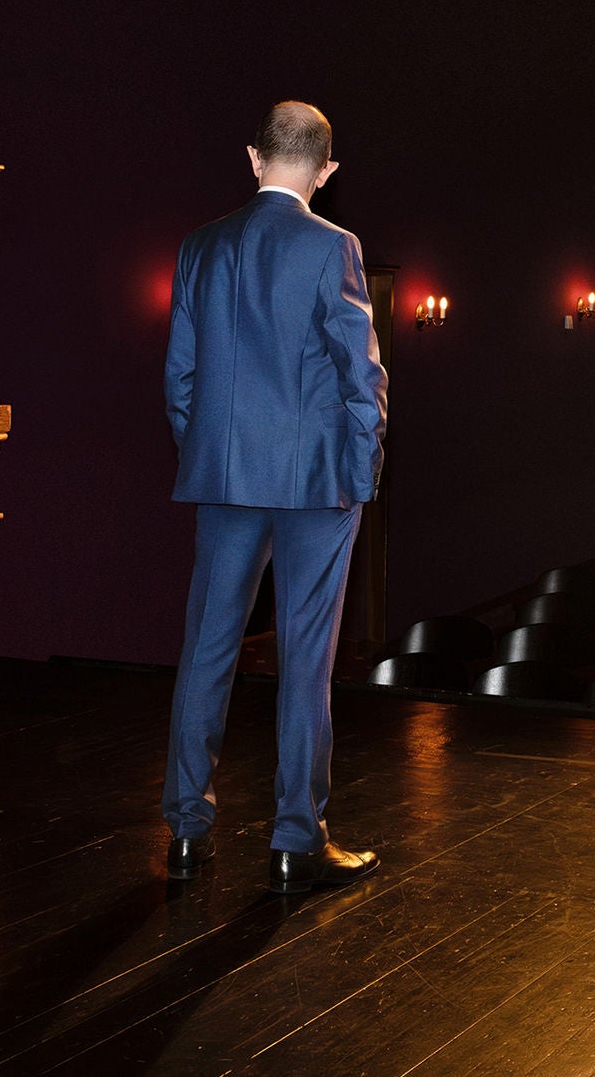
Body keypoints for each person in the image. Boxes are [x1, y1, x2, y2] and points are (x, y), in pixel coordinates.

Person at [161, 100, 388, 893]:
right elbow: (362, 375)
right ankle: (297, 839)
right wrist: (361, 472)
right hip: (315, 482)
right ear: (325, 172)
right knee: (306, 659)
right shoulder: (336, 247)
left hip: (224, 478)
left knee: (207, 650)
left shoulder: (200, 246)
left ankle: (187, 833)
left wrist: (215, 454)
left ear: (254, 158)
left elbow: (181, 381)